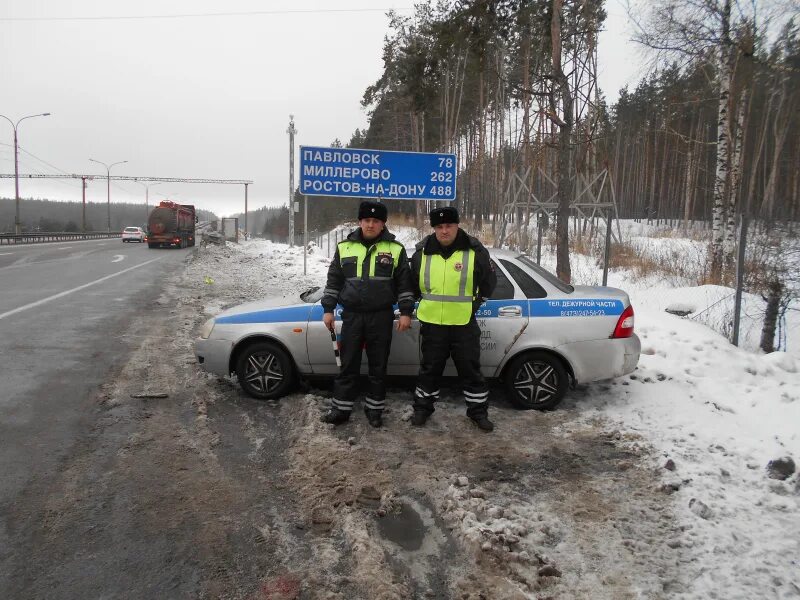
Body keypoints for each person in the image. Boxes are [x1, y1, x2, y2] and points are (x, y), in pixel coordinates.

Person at [320, 200, 414, 428]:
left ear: (383, 224)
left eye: (376, 221)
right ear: (360, 222)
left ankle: (374, 409)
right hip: (351, 315)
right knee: (348, 363)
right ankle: (340, 409)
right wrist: (328, 309)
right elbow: (334, 281)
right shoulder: (344, 247)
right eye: (367, 220)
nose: (371, 225)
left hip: (381, 316)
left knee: (378, 366)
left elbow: (404, 285)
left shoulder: (396, 249)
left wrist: (405, 313)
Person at [410, 206, 497, 431]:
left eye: (449, 226)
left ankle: (478, 413)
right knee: (429, 370)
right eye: (439, 227)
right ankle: (422, 409)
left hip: (463, 324)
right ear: (434, 229)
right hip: (432, 325)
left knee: (471, 370)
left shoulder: (475, 251)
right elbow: (412, 285)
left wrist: (475, 304)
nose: (444, 231)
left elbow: (488, 282)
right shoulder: (421, 253)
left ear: (457, 226)